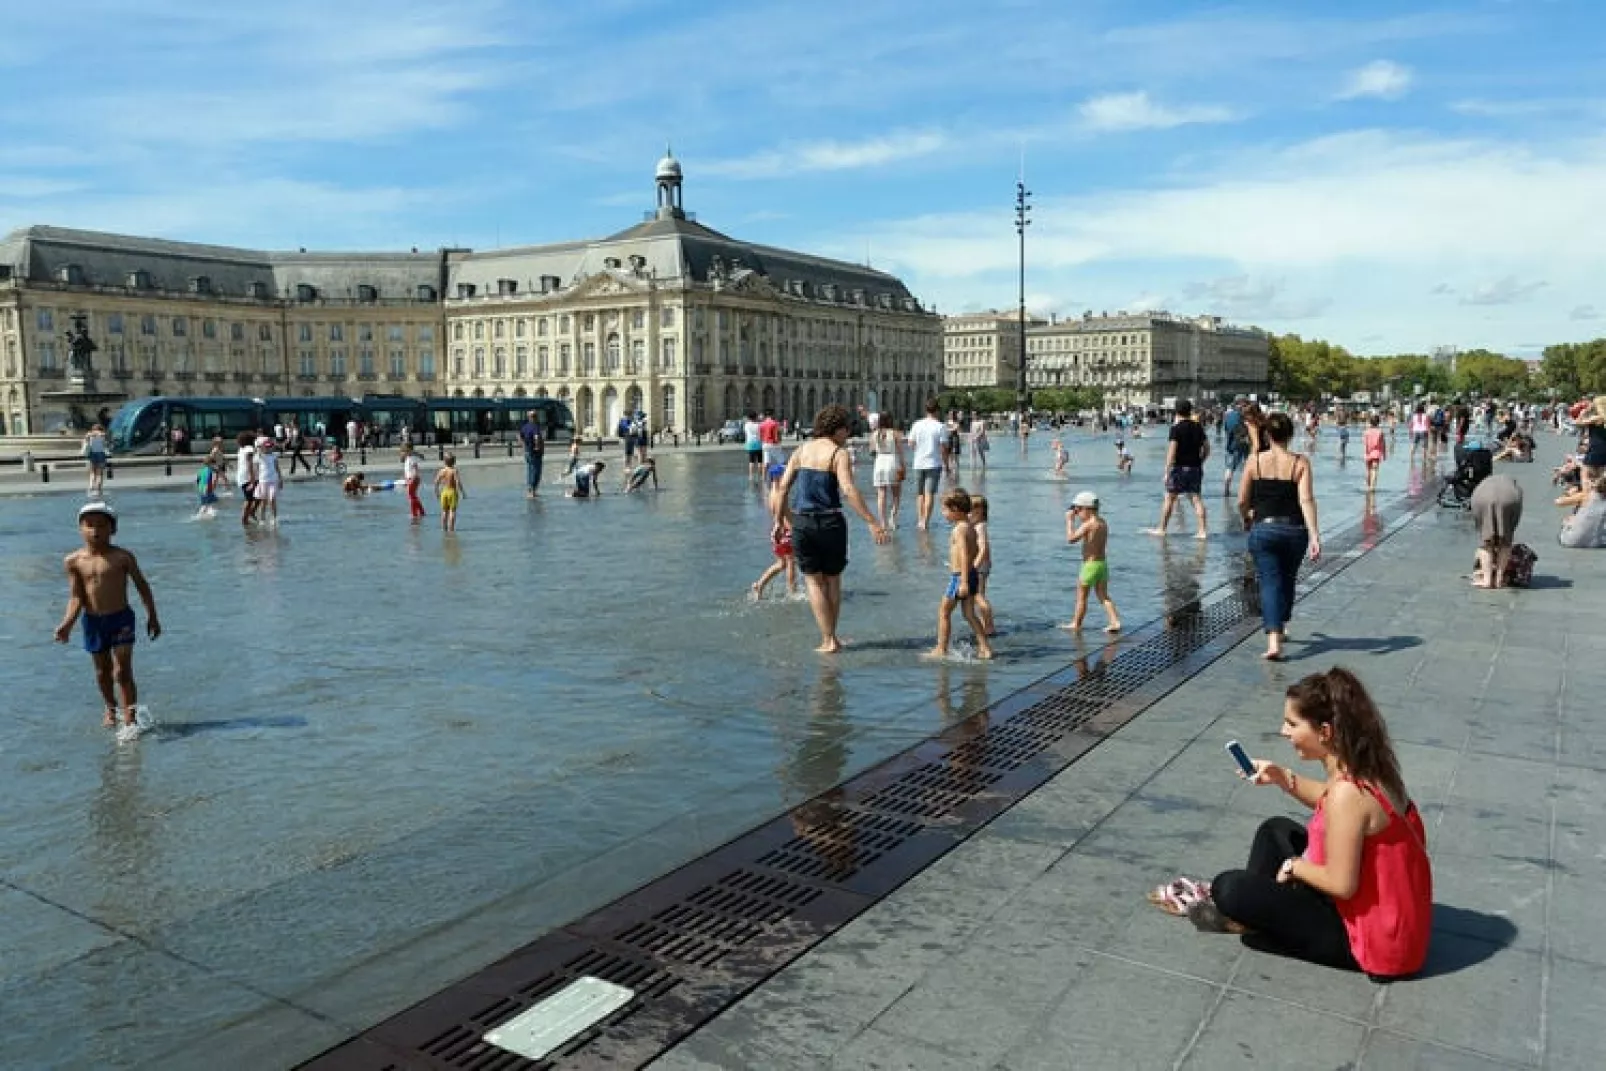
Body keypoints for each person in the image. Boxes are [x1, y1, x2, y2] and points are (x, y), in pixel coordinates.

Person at [1154, 669, 1432, 980]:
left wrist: (1294, 866)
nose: (1283, 731)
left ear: (1324, 731)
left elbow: (1342, 884)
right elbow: (1331, 804)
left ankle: (1252, 914)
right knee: (1276, 829)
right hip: (1391, 919)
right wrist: (1282, 777)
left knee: (1228, 888)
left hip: (1369, 942)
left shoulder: (1349, 794)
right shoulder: (1369, 768)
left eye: (1292, 723)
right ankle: (1261, 909)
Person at [772, 404, 889, 653]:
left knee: (813, 582)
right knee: (833, 580)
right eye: (846, 430)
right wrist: (871, 521)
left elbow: (782, 489)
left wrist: (777, 522)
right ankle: (832, 637)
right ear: (837, 430)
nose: (847, 435)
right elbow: (848, 490)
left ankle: (827, 639)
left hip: (802, 521)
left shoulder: (801, 451)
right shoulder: (838, 454)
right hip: (830, 522)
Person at [53, 502, 162, 743]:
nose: (95, 531)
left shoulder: (122, 557)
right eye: (89, 525)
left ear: (112, 529)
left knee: (122, 670)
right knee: (102, 671)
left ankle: (130, 719)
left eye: (101, 525)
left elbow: (142, 586)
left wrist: (152, 616)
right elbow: (76, 597)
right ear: (80, 529)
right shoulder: (73, 561)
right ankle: (110, 708)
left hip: (121, 618)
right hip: (93, 621)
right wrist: (67, 624)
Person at [1238, 412, 1322, 660]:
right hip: (1295, 530)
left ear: (1267, 434)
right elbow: (1306, 500)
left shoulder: (1255, 462)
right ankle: (1281, 623)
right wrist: (1315, 535)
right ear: (1290, 435)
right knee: (1287, 579)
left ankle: (1274, 640)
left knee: (1269, 581)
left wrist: (1247, 516)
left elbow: (1242, 500)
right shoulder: (1300, 463)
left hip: (1263, 529)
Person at [926, 488, 993, 660]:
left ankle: (941, 648)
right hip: (969, 573)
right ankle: (985, 648)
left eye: (945, 510)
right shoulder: (970, 527)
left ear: (955, 509)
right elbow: (976, 549)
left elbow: (963, 553)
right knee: (969, 614)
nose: (943, 514)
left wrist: (962, 581)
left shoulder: (960, 529)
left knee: (943, 612)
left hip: (959, 577)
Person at [1146, 399, 1210, 539]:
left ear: (1176, 412)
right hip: (1195, 467)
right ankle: (1202, 531)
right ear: (1190, 410)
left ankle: (1162, 529)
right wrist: (1201, 461)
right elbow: (1207, 449)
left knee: (1169, 498)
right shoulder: (1198, 427)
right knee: (1196, 499)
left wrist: (1166, 471)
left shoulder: (1176, 429)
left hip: (1179, 468)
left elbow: (1172, 451)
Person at [1064, 490, 1121, 633]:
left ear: (1087, 509)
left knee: (1081, 597)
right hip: (1102, 564)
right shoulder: (1102, 522)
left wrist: (1069, 521)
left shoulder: (1088, 524)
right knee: (1103, 595)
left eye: (1077, 510)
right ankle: (1115, 621)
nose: (1076, 513)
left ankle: (1076, 623)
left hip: (1089, 565)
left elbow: (1071, 539)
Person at [1470, 472, 1522, 588]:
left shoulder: (1484, 483)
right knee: (1506, 543)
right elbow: (1513, 524)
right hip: (1511, 497)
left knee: (1486, 542)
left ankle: (1487, 580)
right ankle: (1499, 579)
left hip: (1481, 496)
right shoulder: (1516, 487)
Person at [907, 399, 946, 530]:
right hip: (934, 463)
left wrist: (920, 448)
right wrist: (946, 463)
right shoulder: (940, 426)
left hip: (918, 463)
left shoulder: (917, 424)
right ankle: (926, 521)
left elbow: (911, 444)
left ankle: (920, 519)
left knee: (920, 494)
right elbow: (943, 447)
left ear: (926, 410)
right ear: (937, 411)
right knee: (929, 494)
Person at [868, 413, 905, 530]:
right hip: (892, 461)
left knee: (881, 494)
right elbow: (900, 452)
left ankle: (883, 522)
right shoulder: (895, 433)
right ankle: (892, 519)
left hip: (879, 462)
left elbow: (872, 451)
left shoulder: (874, 434)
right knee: (896, 494)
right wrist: (903, 466)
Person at [751, 516, 799, 600]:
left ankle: (759, 584)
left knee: (782, 564)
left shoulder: (770, 501)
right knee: (790, 562)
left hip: (778, 530)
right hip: (785, 530)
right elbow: (785, 515)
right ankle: (793, 593)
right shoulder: (784, 502)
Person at [969, 493, 996, 636]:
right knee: (978, 596)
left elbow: (983, 547)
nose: (967, 514)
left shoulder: (980, 527)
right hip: (980, 565)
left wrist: (973, 566)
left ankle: (989, 625)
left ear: (979, 512)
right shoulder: (976, 525)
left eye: (969, 511)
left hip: (979, 566)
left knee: (978, 596)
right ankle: (985, 623)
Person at [1558, 474, 1606, 549]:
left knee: (1568, 519)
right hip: (1595, 544)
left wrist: (1567, 494)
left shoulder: (1586, 495)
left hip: (1570, 541)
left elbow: (1559, 502)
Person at [254, 437, 283, 526]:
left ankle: (274, 518)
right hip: (263, 481)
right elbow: (256, 469)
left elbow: (277, 468)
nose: (268, 448)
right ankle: (262, 518)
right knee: (263, 501)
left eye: (269, 447)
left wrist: (280, 479)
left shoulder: (274, 456)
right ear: (263, 447)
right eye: (266, 447)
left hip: (273, 480)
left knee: (272, 499)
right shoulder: (260, 456)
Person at [1222, 402, 1249, 495]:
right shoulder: (1245, 415)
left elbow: (1225, 429)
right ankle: (1246, 489)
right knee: (1247, 467)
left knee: (1229, 468)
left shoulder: (1228, 416)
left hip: (1231, 445)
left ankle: (1226, 488)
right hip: (1245, 445)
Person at [234, 431, 259, 527]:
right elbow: (249, 464)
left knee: (258, 496)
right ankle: (244, 520)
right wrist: (252, 480)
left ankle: (250, 514)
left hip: (243, 477)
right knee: (249, 500)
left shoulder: (241, 449)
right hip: (248, 477)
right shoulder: (249, 449)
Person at [434, 453, 464, 531]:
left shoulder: (442, 471)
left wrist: (437, 492)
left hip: (444, 492)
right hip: (452, 492)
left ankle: (444, 528)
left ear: (444, 462)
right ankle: (451, 529)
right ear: (454, 462)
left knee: (444, 511)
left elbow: (436, 482)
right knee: (452, 511)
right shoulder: (454, 471)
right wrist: (462, 492)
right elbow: (458, 482)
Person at [519, 410, 546, 498]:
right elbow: (536, 437)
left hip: (527, 452)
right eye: (535, 416)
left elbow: (519, 436)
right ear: (533, 417)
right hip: (535, 453)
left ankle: (530, 490)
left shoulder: (525, 427)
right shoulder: (535, 427)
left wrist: (524, 447)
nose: (536, 417)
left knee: (530, 470)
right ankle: (533, 491)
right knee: (536, 471)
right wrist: (537, 446)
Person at [1362, 413, 1387, 492]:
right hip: (1376, 453)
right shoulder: (1380, 432)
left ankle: (1368, 486)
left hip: (1368, 453)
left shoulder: (1366, 432)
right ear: (1378, 422)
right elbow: (1383, 444)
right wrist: (1384, 454)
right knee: (1374, 470)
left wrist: (1365, 453)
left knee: (1368, 470)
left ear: (1370, 422)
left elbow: (1365, 444)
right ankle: (1372, 487)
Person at [401, 443, 425, 523]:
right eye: (403, 451)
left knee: (411, 497)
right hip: (410, 479)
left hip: (414, 478)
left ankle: (414, 514)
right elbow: (407, 470)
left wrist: (413, 478)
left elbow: (415, 468)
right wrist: (406, 480)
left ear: (410, 450)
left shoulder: (412, 458)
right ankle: (421, 512)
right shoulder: (408, 458)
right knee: (413, 496)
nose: (403, 452)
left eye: (405, 451)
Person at [82, 423, 109, 497]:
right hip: (101, 454)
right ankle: (99, 489)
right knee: (99, 473)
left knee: (92, 473)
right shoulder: (102, 435)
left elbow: (85, 440)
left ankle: (91, 487)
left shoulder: (90, 434)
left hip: (92, 454)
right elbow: (106, 444)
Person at [743, 410, 763, 485]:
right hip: (758, 443)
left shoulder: (746, 425)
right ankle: (760, 476)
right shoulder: (759, 425)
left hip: (750, 444)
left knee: (751, 461)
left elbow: (745, 432)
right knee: (760, 461)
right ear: (756, 417)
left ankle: (751, 476)